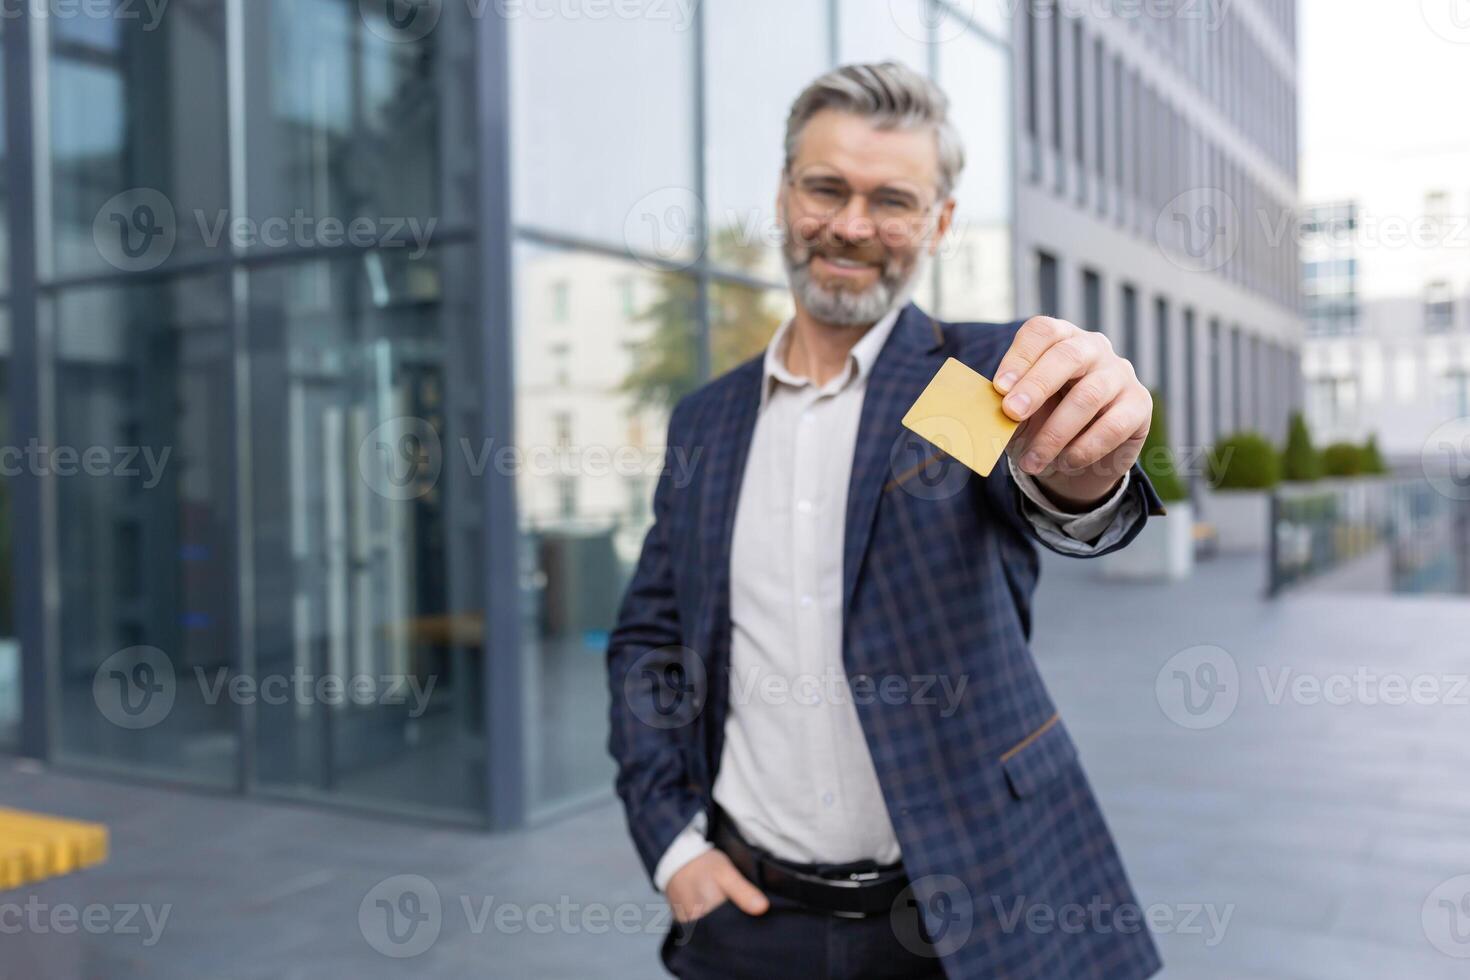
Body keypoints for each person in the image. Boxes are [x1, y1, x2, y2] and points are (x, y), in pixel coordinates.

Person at [608, 61, 1164, 980]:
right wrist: (672, 843)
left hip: (964, 917)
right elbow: (651, 640)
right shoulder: (705, 420)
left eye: (892, 200)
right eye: (826, 187)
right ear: (785, 196)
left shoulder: (972, 382)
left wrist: (1089, 473)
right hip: (750, 920)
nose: (853, 226)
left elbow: (1053, 492)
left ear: (940, 222)